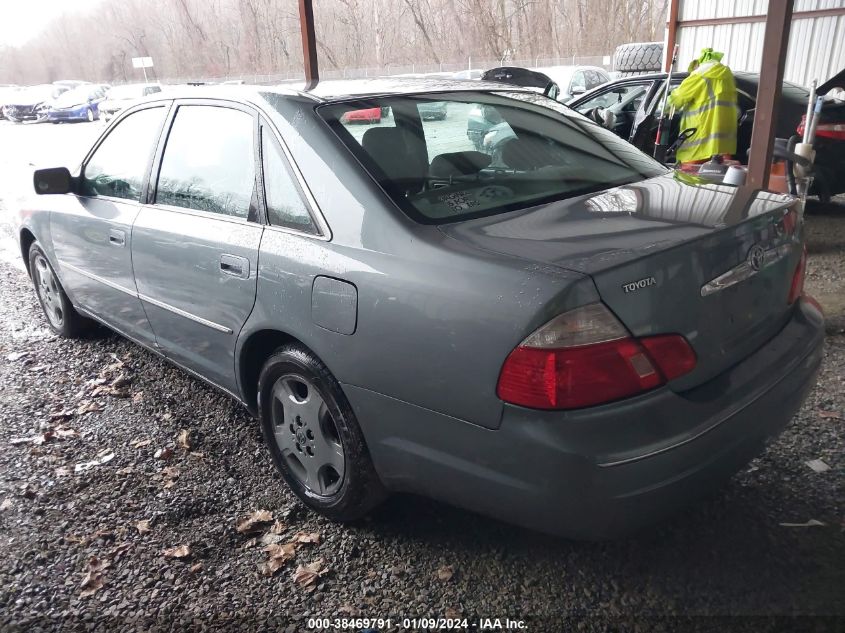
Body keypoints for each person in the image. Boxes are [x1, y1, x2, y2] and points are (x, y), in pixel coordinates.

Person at [668, 48, 738, 163]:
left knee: (687, 179)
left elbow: (677, 99)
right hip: (723, 148)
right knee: (714, 180)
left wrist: (663, 108)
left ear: (699, 64)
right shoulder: (727, 77)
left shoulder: (698, 76)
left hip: (698, 144)